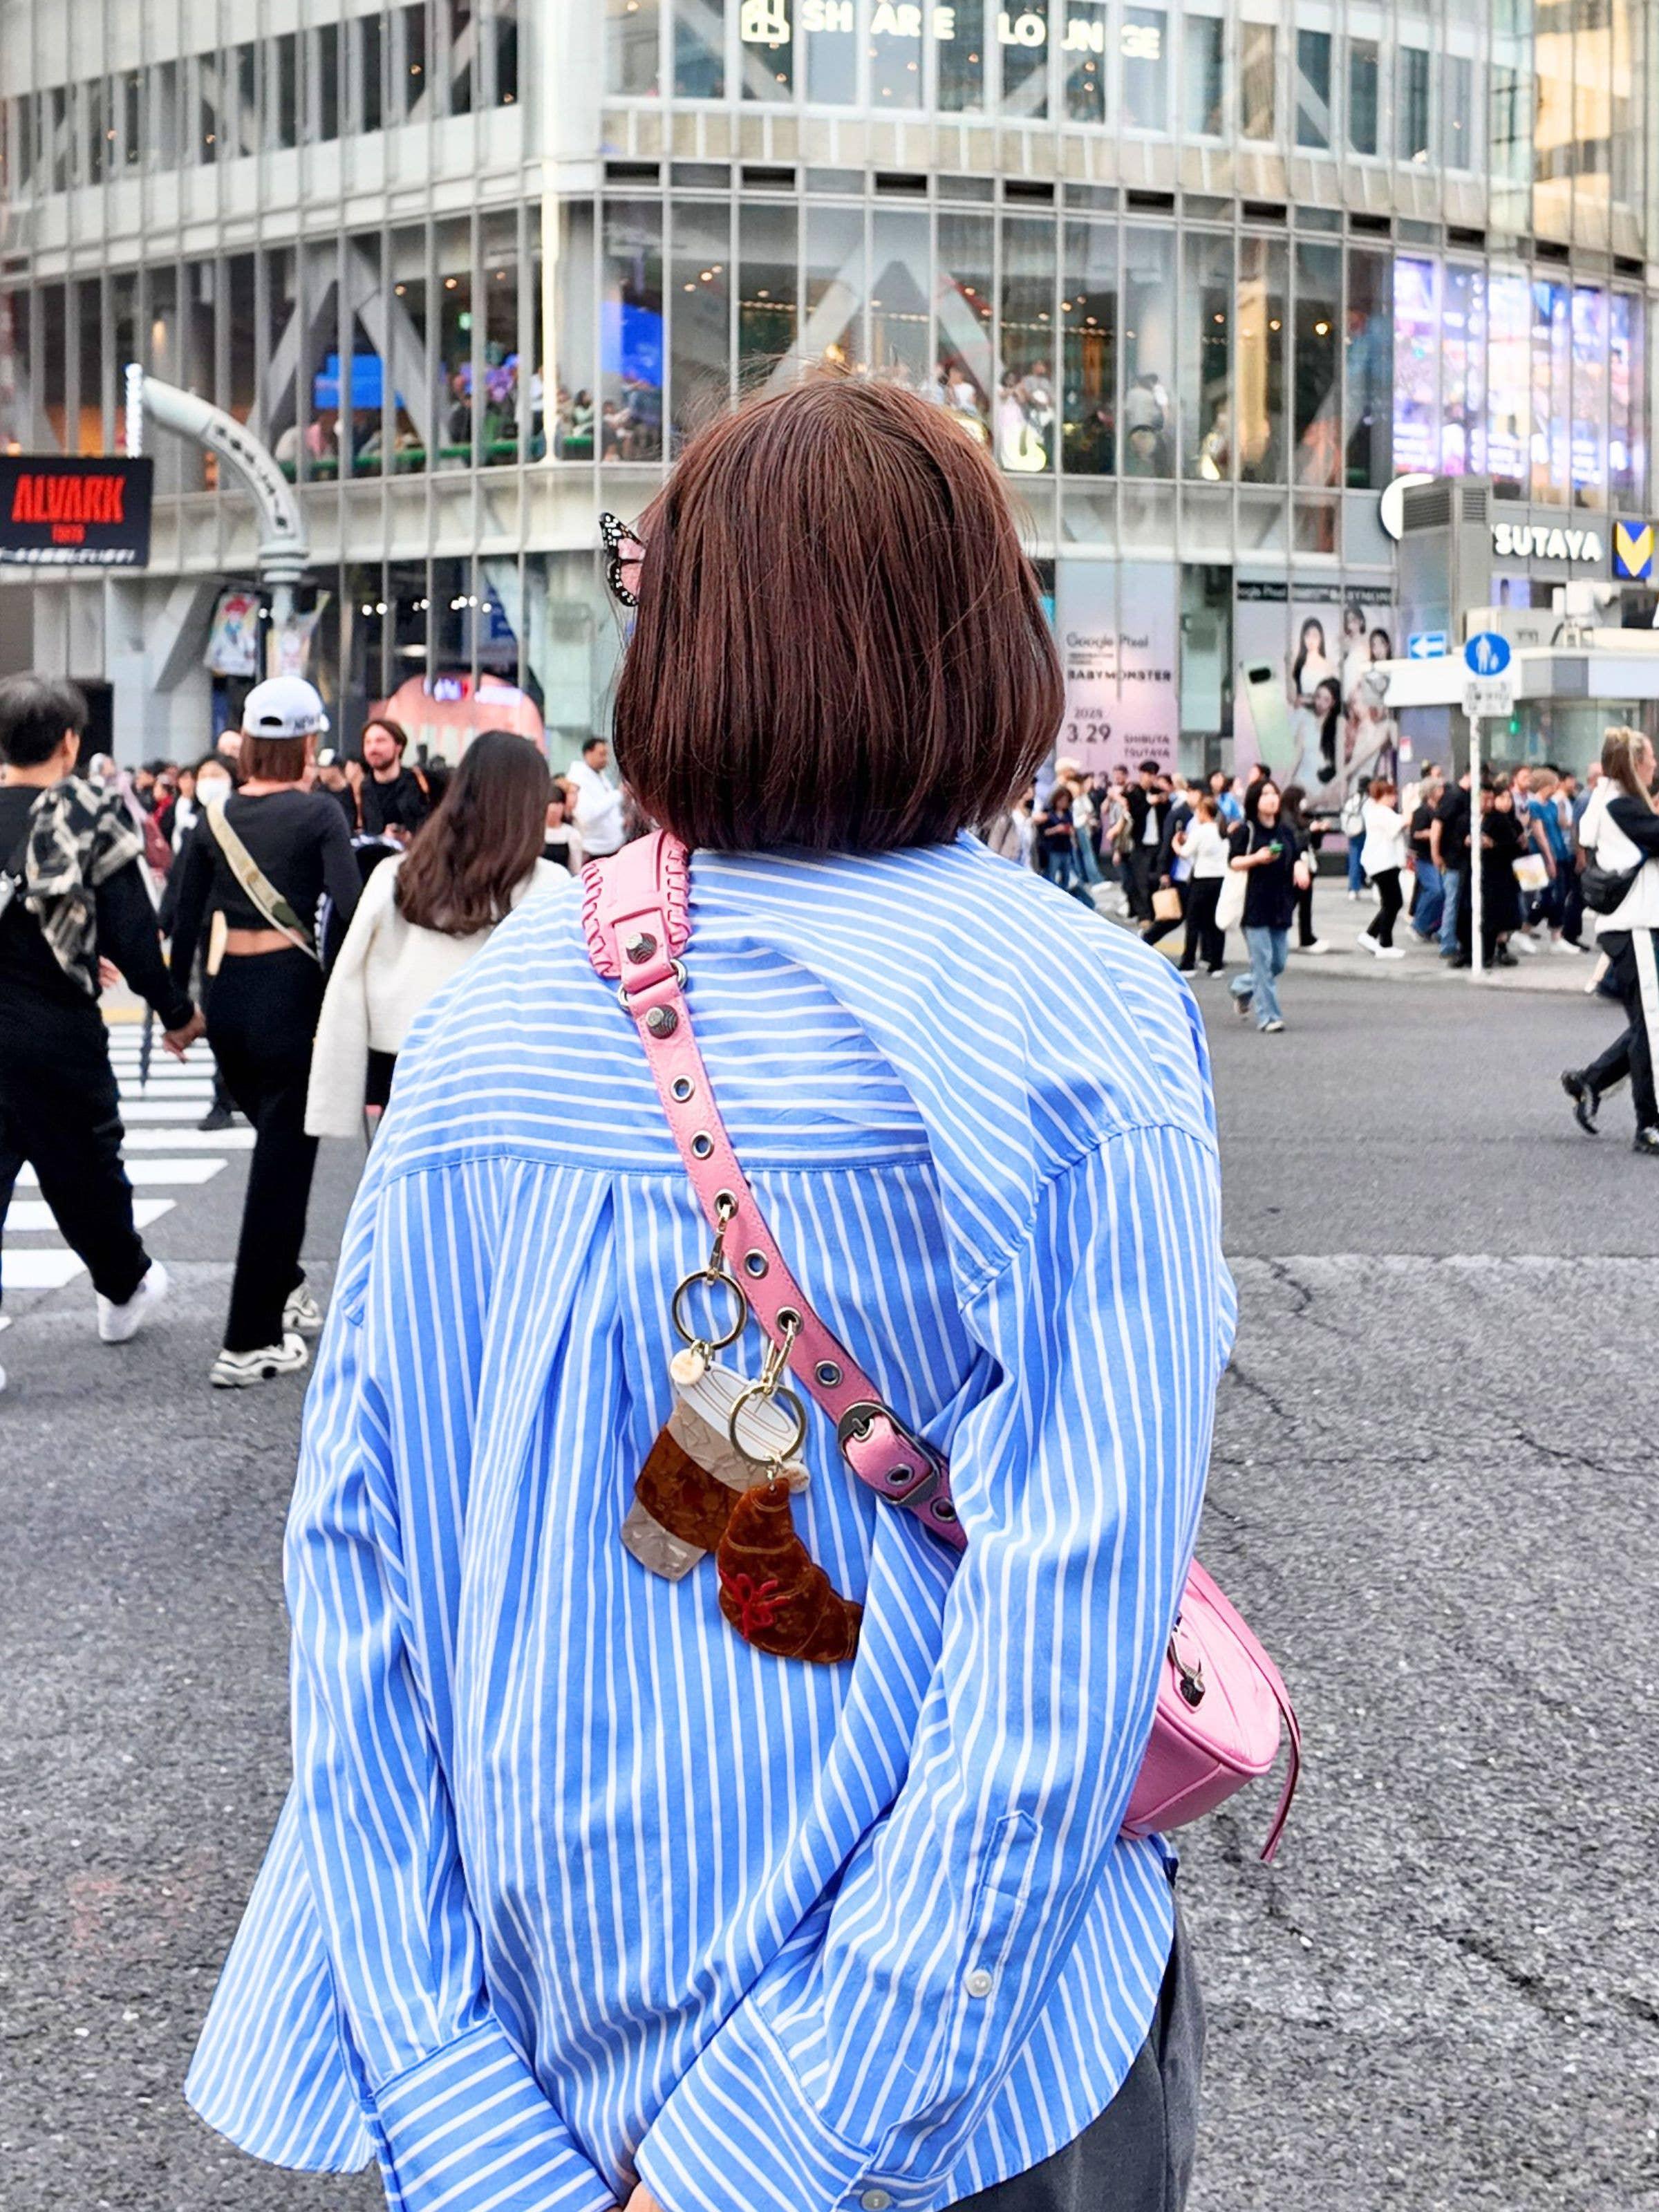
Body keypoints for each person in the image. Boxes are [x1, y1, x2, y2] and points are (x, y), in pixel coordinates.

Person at [187, 377, 1222, 2212]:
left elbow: (361, 1564)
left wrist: (449, 2097)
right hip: (955, 2090)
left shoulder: (499, 1022)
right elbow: (1065, 1637)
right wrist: (788, 2137)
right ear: (988, 647)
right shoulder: (1080, 1022)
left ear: (671, 637)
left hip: (531, 2057)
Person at [0, 676, 203, 1391]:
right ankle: (122, 1287)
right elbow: (131, 933)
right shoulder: (89, 811)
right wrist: (176, 1011)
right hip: (57, 1032)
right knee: (87, 1173)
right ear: (69, 742)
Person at [167, 677, 361, 1387]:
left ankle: (282, 1285)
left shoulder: (212, 818)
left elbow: (182, 923)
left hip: (228, 1007)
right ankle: (247, 1341)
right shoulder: (320, 814)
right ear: (308, 742)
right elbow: (349, 907)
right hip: (291, 1002)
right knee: (280, 1173)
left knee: (276, 1153)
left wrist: (177, 1015)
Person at [306, 731, 571, 1139]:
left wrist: (334, 1101)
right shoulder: (551, 885)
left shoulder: (400, 874)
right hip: (508, 1071)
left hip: (403, 1061)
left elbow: (348, 979)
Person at [1561, 726, 1659, 1153]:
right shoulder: (1624, 806)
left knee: (1648, 1022)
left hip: (1625, 925)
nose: (1655, 764)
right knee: (1652, 1025)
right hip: (1636, 924)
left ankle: (1592, 1080)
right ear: (1636, 764)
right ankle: (1650, 1125)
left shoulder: (1604, 800)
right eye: (1651, 758)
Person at [1228, 777, 1305, 1032]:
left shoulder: (1285, 831)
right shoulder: (1246, 830)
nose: (1271, 798)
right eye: (1265, 794)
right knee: (1262, 963)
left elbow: (1295, 855)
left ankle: (1241, 987)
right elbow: (1234, 862)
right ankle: (1269, 1017)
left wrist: (1300, 868)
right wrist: (1257, 858)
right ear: (1255, 801)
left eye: (1274, 793)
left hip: (1281, 903)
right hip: (1254, 905)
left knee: (1278, 963)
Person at [1173, 793, 1229, 973]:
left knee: (1194, 922)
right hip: (1221, 880)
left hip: (1201, 881)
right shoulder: (1222, 832)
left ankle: (1188, 962)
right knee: (1216, 922)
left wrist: (1176, 844)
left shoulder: (1200, 831)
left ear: (1204, 811)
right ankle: (1216, 964)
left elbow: (1185, 853)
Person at [1356, 776, 1408, 959]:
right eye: (1391, 794)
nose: (1394, 798)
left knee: (1391, 902)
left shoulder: (1379, 812)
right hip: (1383, 864)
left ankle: (1375, 937)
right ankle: (1381, 941)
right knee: (1393, 902)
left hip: (1385, 863)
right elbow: (1399, 824)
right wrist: (1410, 806)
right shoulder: (1380, 812)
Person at [357, 717, 431, 844]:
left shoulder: (421, 782)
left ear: (398, 747)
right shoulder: (360, 790)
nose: (373, 748)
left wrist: (411, 837)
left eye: (380, 741)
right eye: (368, 742)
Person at [1280, 783, 1330, 954]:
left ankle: (1306, 936)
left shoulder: (1298, 816)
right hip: (1295, 863)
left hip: (1305, 862)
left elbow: (1313, 843)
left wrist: (1318, 831)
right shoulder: (1286, 818)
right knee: (1293, 901)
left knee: (1303, 902)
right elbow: (1295, 840)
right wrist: (1310, 830)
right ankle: (1289, 934)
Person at [566, 733, 626, 856]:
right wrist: (617, 794)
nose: (606, 759)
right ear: (588, 753)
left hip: (612, 846)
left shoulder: (599, 775)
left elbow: (610, 812)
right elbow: (588, 816)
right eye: (602, 754)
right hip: (593, 850)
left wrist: (621, 821)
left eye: (607, 754)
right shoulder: (577, 779)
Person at [1123, 759, 1168, 922]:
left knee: (1154, 880)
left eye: (1154, 774)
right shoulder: (1135, 792)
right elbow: (1136, 813)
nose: (1151, 778)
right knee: (1140, 881)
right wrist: (1150, 803)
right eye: (1148, 774)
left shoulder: (1158, 792)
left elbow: (1166, 813)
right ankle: (1144, 916)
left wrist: (1162, 799)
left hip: (1157, 843)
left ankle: (1156, 913)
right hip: (1140, 844)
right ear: (1141, 774)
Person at [1407, 765, 1445, 941]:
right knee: (1434, 890)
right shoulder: (1422, 811)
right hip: (1424, 858)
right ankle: (1419, 924)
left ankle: (1432, 925)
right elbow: (1415, 833)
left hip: (1437, 856)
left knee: (1442, 892)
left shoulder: (1441, 809)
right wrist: (1433, 832)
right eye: (1439, 788)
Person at [543, 773, 585, 872]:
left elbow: (576, 869)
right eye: (550, 803)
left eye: (558, 804)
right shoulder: (534, 833)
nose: (553, 810)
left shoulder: (572, 833)